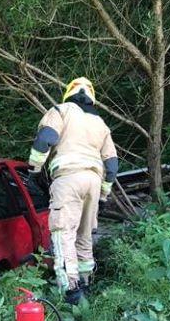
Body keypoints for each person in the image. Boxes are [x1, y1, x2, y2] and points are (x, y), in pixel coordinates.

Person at [28, 77, 118, 304]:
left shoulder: (61, 110)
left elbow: (45, 140)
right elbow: (112, 165)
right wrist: (104, 196)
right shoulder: (101, 124)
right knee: (84, 235)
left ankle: (70, 292)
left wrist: (34, 172)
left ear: (68, 93)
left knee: (63, 233)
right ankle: (86, 284)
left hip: (68, 177)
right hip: (93, 181)